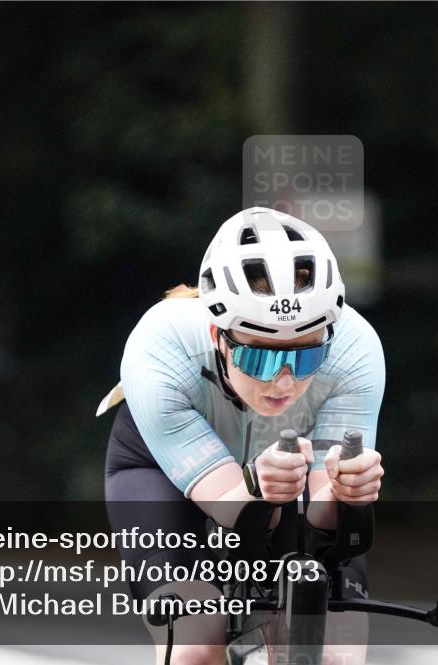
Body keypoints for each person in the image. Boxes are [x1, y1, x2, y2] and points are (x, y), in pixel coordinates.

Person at [101, 207, 386, 665]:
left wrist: (345, 488)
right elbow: (233, 505)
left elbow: (322, 521)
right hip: (165, 472)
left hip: (285, 474)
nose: (285, 383)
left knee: (338, 655)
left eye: (308, 358)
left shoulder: (356, 349)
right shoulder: (158, 344)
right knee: (194, 645)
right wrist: (256, 487)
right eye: (261, 359)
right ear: (218, 334)